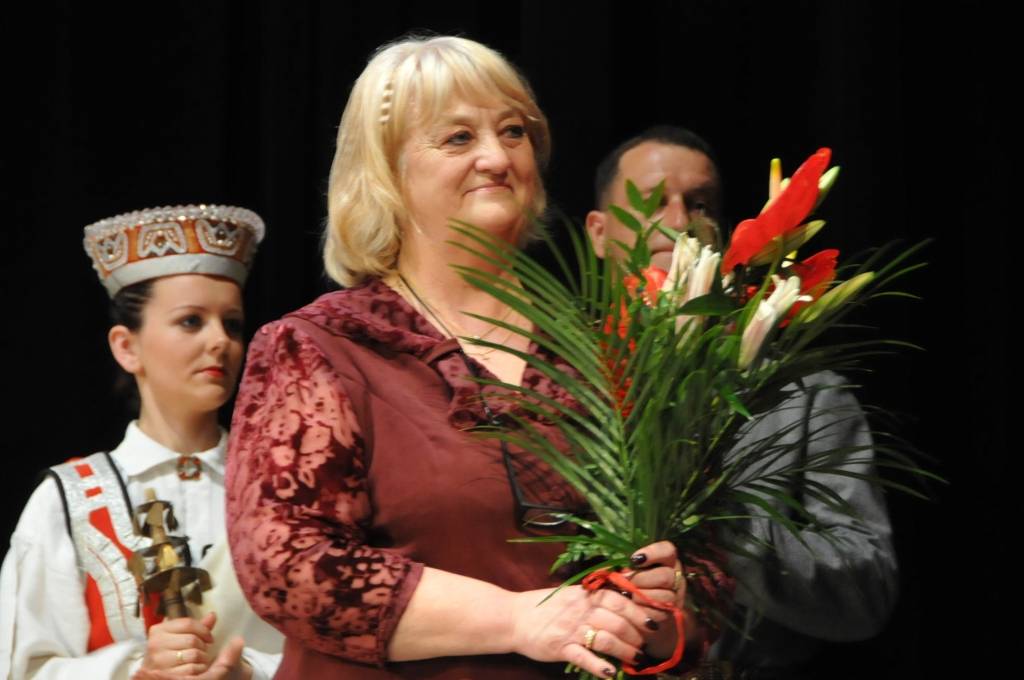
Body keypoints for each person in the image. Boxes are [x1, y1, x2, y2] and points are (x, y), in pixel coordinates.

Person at [226, 37, 728, 680]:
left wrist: (669, 604)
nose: (496, 157)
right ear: (385, 171)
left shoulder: (608, 349)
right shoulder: (321, 349)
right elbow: (288, 567)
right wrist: (519, 619)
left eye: (513, 131)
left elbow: (710, 570)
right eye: (458, 138)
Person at [586, 126, 899, 678]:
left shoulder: (802, 392)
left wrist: (728, 532)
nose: (679, 221)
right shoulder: (556, 377)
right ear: (598, 231)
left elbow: (865, 590)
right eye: (652, 202)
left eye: (699, 204)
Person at [0, 205, 283, 680]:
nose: (220, 341)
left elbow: (338, 655)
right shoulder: (70, 500)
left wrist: (248, 670)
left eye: (232, 324)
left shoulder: (282, 488)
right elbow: (23, 669)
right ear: (126, 346)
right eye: (191, 321)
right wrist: (134, 671)